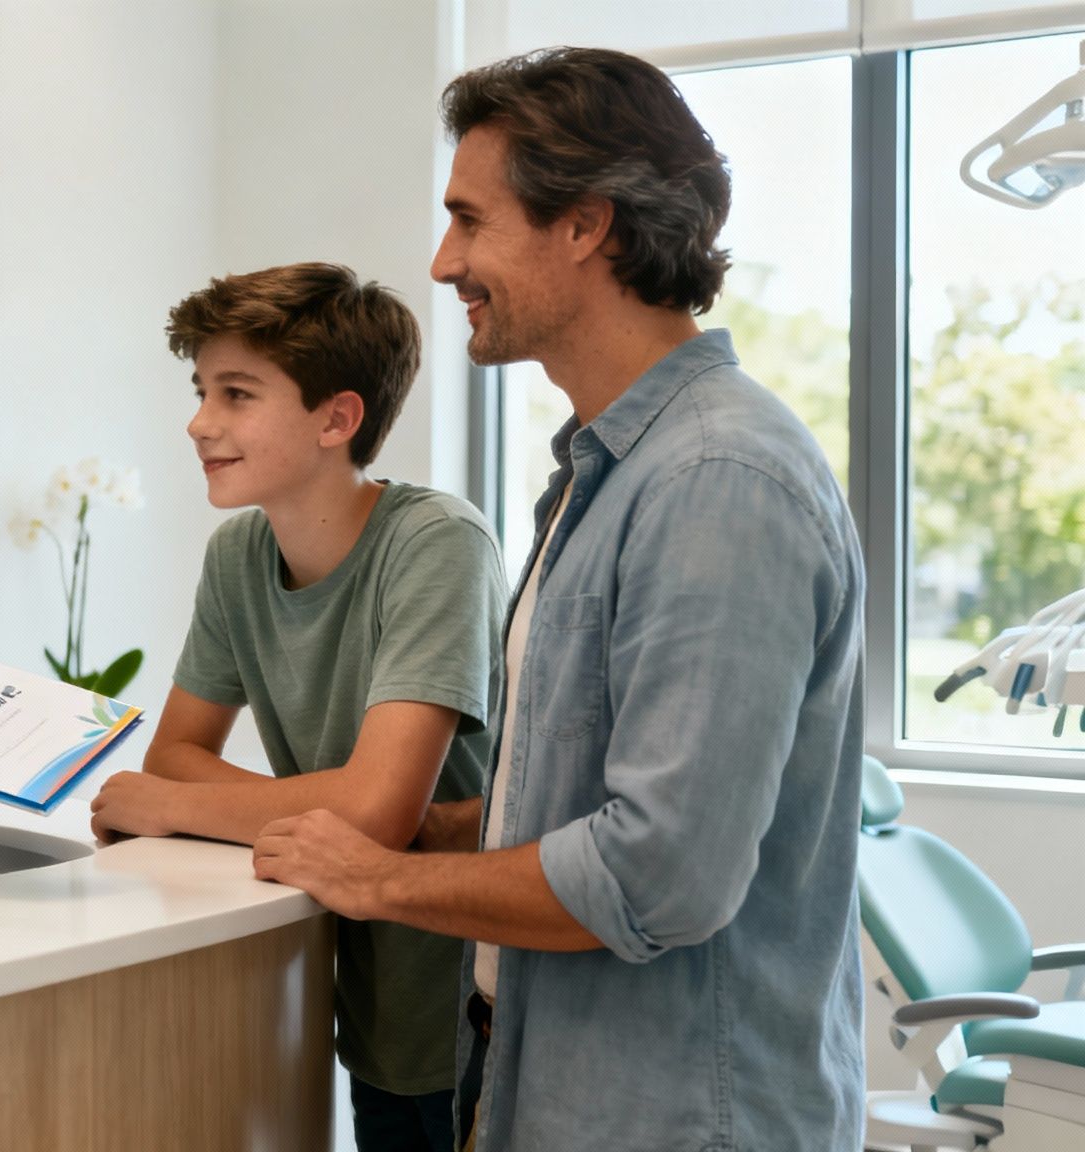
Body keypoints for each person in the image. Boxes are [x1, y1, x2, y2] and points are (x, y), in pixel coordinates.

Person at [252, 49, 867, 1151]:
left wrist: (381, 880)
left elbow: (656, 874)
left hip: (676, 1117)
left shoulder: (714, 481)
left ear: (584, 226)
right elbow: (584, 804)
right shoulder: (603, 472)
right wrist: (428, 831)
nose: (444, 263)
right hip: (549, 1080)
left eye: (470, 221)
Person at [89, 263, 506, 1152]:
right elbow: (177, 753)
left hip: (458, 1010)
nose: (200, 423)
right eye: (202, 391)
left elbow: (376, 812)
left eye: (237, 394)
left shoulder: (438, 545)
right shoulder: (239, 555)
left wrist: (168, 806)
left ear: (337, 418)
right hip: (365, 997)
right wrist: (185, 788)